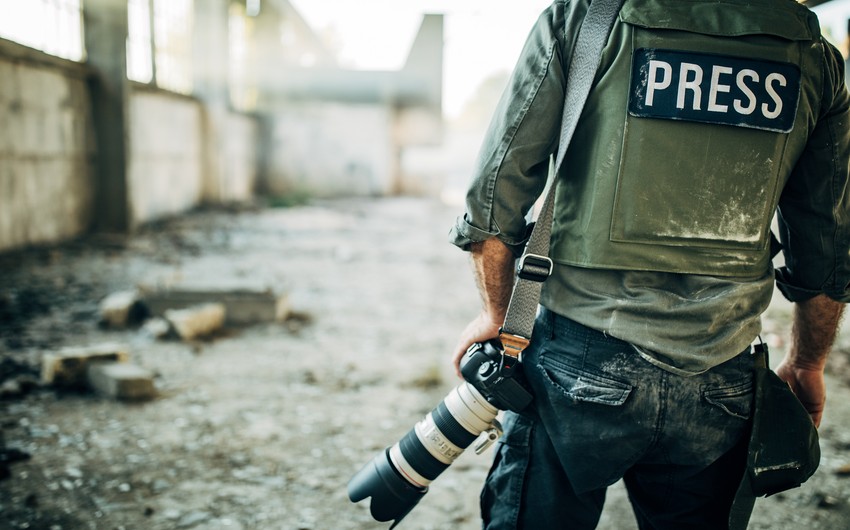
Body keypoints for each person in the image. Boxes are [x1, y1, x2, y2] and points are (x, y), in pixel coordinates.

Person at [448, 0, 850, 528]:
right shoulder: (815, 58)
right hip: (722, 375)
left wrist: (497, 313)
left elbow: (496, 192)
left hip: (575, 359)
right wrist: (806, 363)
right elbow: (829, 245)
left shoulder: (584, 21)